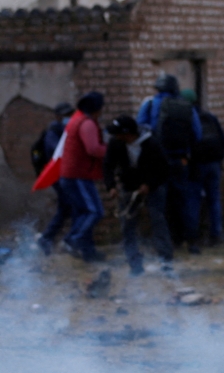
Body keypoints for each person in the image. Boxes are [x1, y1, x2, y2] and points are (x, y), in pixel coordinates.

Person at [137, 74, 203, 253]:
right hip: (180, 161)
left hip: (157, 163)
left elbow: (139, 132)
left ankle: (165, 246)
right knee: (183, 201)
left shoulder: (150, 104)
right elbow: (197, 135)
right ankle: (191, 242)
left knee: (159, 205)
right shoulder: (186, 106)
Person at [103, 115, 172, 275]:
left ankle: (166, 262)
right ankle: (135, 265)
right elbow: (108, 165)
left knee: (158, 221)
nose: (116, 136)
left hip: (153, 187)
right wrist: (111, 186)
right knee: (127, 226)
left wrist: (149, 184)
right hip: (129, 187)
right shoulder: (116, 143)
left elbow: (163, 169)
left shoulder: (151, 143)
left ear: (128, 133)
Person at [60, 92, 108, 262]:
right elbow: (93, 149)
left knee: (83, 213)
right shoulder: (87, 124)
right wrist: (110, 151)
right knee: (95, 211)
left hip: (73, 174)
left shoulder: (79, 120)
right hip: (78, 175)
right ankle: (72, 240)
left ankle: (88, 252)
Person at [183, 89, 224, 246]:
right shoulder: (210, 117)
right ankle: (216, 235)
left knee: (193, 200)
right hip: (214, 163)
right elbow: (223, 140)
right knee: (214, 200)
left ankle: (193, 237)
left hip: (197, 165)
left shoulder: (187, 119)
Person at [34, 102, 75, 255]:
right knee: (69, 207)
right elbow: (57, 152)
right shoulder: (53, 131)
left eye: (70, 115)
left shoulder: (63, 129)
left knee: (66, 208)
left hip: (64, 175)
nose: (68, 118)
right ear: (57, 116)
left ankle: (48, 238)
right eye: (65, 115)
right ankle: (50, 238)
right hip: (58, 176)